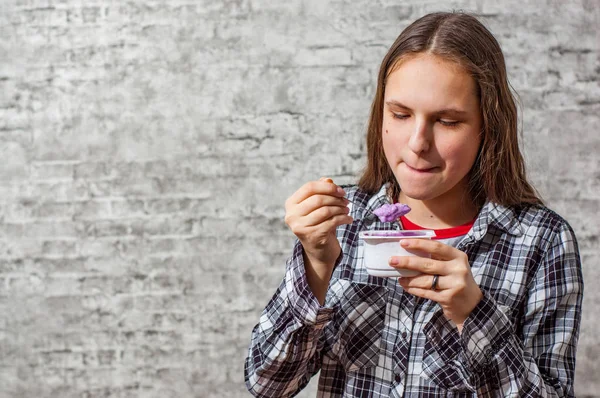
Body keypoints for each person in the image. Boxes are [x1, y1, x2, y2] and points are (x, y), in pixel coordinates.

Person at [244, 11, 583, 397]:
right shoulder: (341, 223)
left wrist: (476, 315)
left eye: (448, 121)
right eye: (401, 114)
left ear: (488, 127)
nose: (417, 143)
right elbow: (267, 384)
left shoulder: (542, 241)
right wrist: (317, 265)